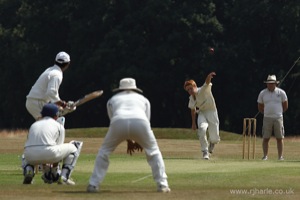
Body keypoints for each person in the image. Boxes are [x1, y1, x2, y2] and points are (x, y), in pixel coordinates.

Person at [86, 78, 170, 193]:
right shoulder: (143, 99)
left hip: (118, 120)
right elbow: (147, 120)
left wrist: (129, 140)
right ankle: (162, 185)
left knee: (104, 151)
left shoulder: (112, 99)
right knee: (154, 151)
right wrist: (139, 140)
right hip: (141, 121)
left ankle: (93, 184)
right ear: (134, 88)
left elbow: (113, 120)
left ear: (120, 88)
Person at [22, 103, 83, 185]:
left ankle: (28, 170)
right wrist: (53, 171)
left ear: (42, 114)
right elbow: (58, 149)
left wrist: (46, 170)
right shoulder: (59, 126)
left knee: (27, 152)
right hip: (50, 153)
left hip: (30, 156)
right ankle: (63, 177)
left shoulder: (33, 125)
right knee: (75, 146)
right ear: (56, 115)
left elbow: (36, 146)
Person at [25, 51, 75, 120]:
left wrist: (61, 107)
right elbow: (51, 92)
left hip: (34, 101)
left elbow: (51, 96)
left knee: (49, 124)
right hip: (37, 102)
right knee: (51, 124)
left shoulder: (50, 70)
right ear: (68, 64)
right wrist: (63, 104)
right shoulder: (57, 74)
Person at [183, 72, 220, 160]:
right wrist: (193, 123)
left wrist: (209, 76)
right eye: (188, 90)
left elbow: (206, 82)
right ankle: (205, 152)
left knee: (215, 138)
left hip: (212, 111)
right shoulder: (192, 98)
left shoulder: (203, 89)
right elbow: (193, 110)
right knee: (202, 129)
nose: (190, 91)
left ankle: (212, 143)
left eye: (191, 88)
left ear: (195, 86)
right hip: (202, 112)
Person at [257, 75, 288, 161]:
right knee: (266, 137)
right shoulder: (263, 93)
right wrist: (265, 112)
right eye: (268, 83)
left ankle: (280, 156)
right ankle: (265, 156)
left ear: (275, 84)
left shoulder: (281, 92)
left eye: (272, 83)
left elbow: (285, 105)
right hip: (267, 117)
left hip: (278, 117)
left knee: (279, 137)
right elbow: (260, 106)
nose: (270, 85)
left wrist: (279, 112)